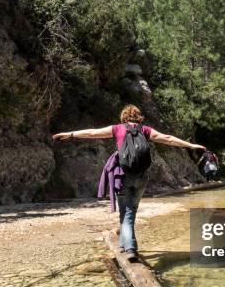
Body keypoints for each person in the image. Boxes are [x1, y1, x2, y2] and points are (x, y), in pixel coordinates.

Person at [53, 104, 205, 262]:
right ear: (139, 117)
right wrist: (190, 145)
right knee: (129, 211)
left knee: (126, 213)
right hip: (141, 177)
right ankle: (123, 243)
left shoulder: (117, 129)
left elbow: (92, 133)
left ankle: (131, 248)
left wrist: (69, 134)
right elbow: (168, 139)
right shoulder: (145, 130)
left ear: (123, 117)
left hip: (122, 176)